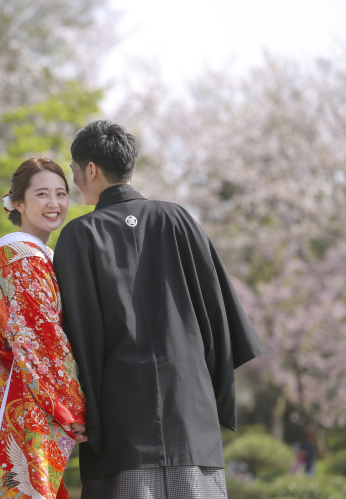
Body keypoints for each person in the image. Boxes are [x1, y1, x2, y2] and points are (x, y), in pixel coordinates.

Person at [53, 120, 265, 499]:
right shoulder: (180, 219)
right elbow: (219, 315)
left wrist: (79, 412)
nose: (74, 181)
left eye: (72, 170)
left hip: (122, 427)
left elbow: (74, 338)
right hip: (191, 418)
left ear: (90, 169)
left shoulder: (79, 235)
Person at [0, 157, 87, 499]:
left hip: (0, 405)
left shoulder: (31, 257)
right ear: (19, 203)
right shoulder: (26, 260)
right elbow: (40, 340)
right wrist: (71, 406)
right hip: (14, 406)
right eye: (42, 194)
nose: (54, 204)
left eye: (61, 193)